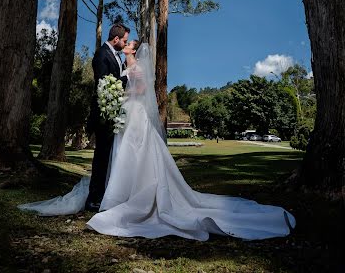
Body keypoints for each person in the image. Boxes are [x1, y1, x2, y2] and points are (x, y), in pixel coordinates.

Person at [18, 43, 295, 240]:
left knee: (134, 153)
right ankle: (119, 191)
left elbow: (137, 91)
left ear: (134, 53)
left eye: (130, 48)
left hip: (133, 114)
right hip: (129, 115)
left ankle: (129, 194)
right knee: (125, 154)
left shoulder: (135, 69)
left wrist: (120, 94)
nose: (127, 48)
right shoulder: (128, 66)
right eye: (126, 46)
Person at [84, 23, 130, 212]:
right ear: (116, 39)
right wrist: (128, 78)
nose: (125, 43)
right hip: (105, 114)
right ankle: (93, 199)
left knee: (107, 157)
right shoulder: (102, 55)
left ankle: (104, 194)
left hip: (113, 113)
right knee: (101, 158)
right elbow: (103, 84)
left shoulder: (115, 55)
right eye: (124, 40)